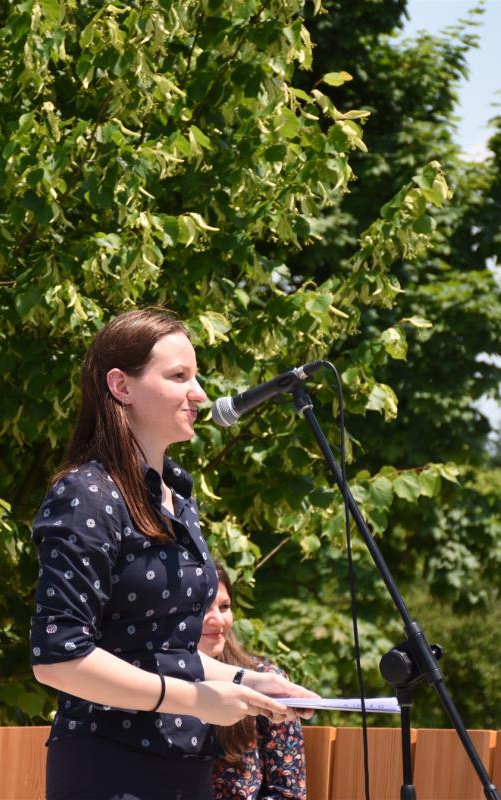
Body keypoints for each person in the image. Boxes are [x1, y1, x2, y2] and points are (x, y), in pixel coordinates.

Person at [29, 308, 314, 800]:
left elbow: (166, 650)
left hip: (185, 766)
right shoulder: (87, 494)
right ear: (121, 386)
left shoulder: (177, 495)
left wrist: (252, 682)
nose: (199, 394)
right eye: (179, 376)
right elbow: (58, 658)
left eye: (195, 377)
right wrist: (195, 699)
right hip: (109, 768)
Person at [203, 565, 307, 799]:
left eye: (224, 607)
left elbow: (288, 792)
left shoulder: (266, 682)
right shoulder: (153, 679)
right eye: (202, 608)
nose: (218, 620)